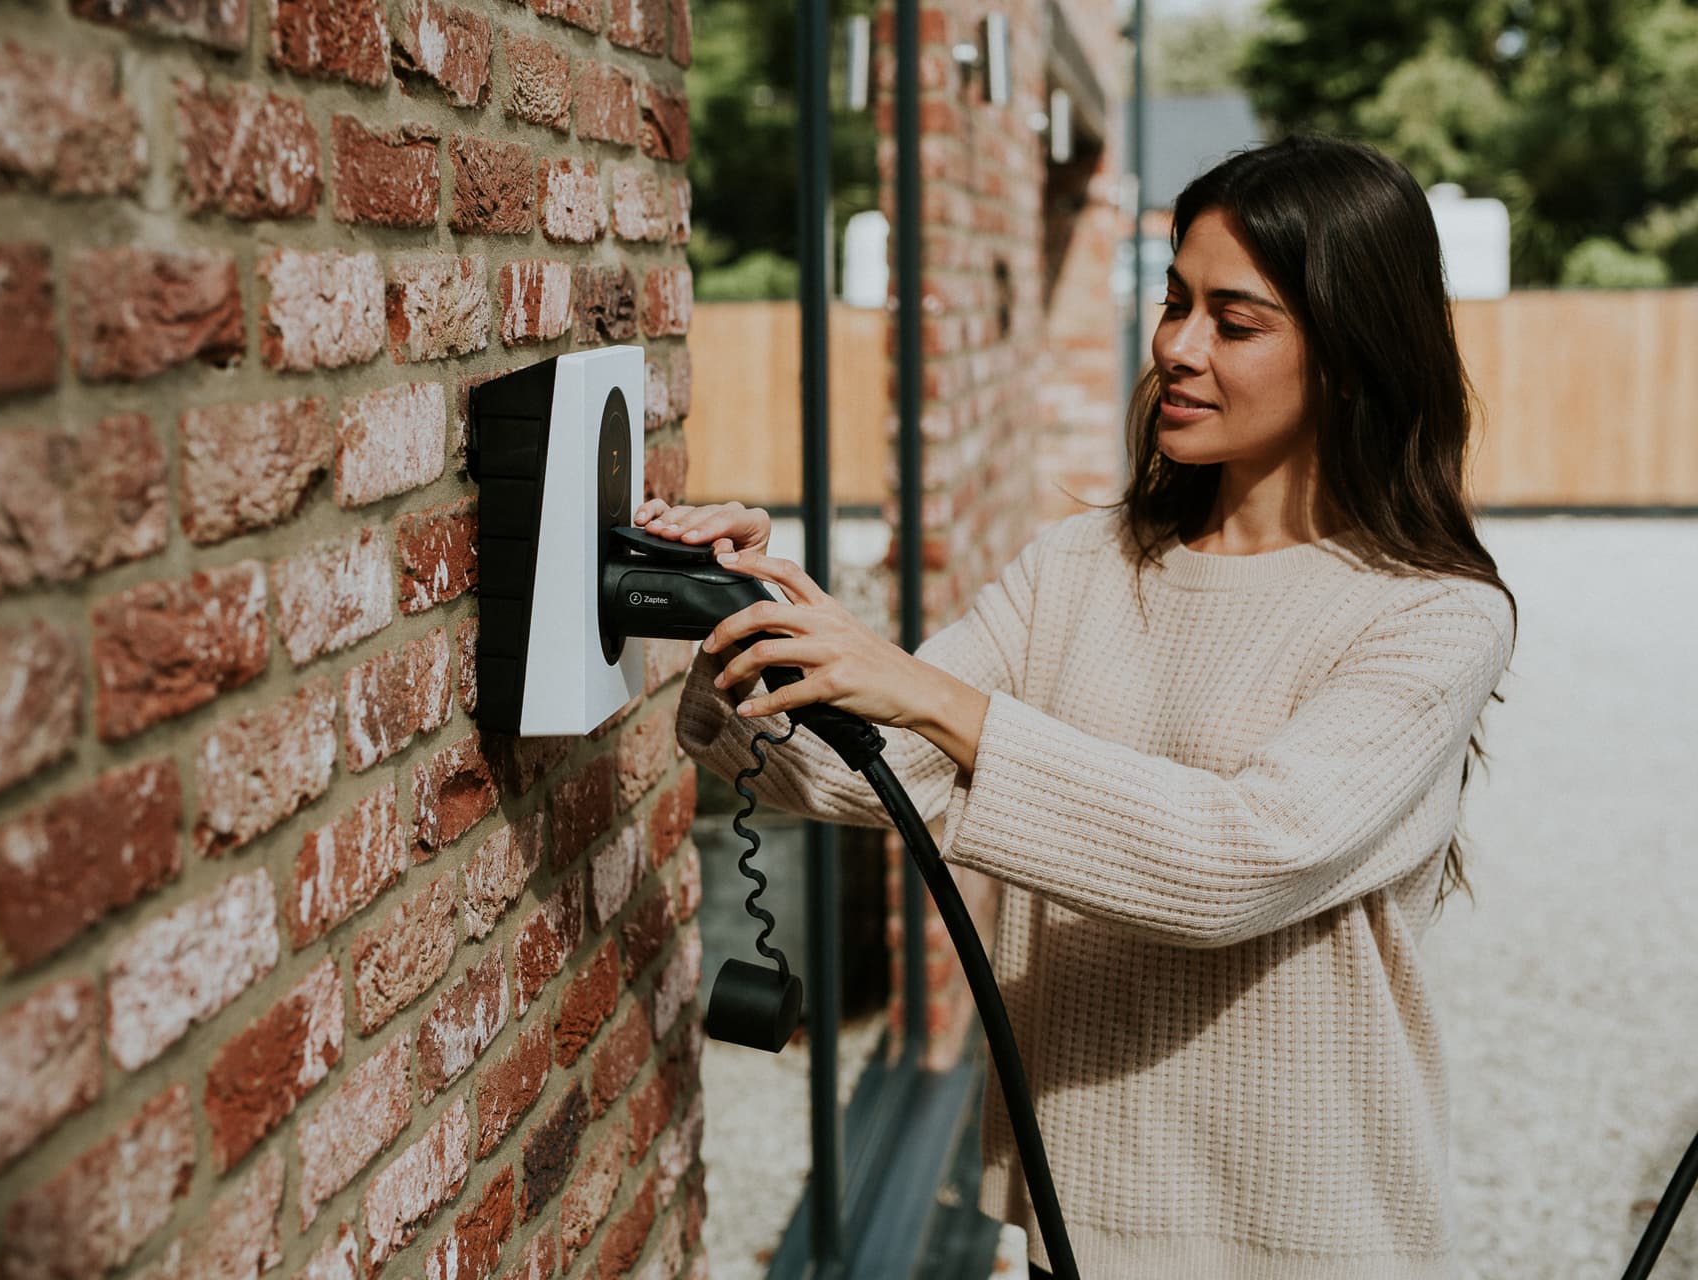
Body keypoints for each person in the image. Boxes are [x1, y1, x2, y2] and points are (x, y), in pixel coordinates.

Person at [635, 135, 1517, 1280]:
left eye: (1234, 321)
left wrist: (934, 695)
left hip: (1305, 1241)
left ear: (1350, 354)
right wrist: (749, 610)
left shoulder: (1431, 614)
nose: (1177, 349)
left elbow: (1235, 861)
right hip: (1077, 1224)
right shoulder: (1085, 563)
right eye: (1173, 302)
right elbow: (862, 771)